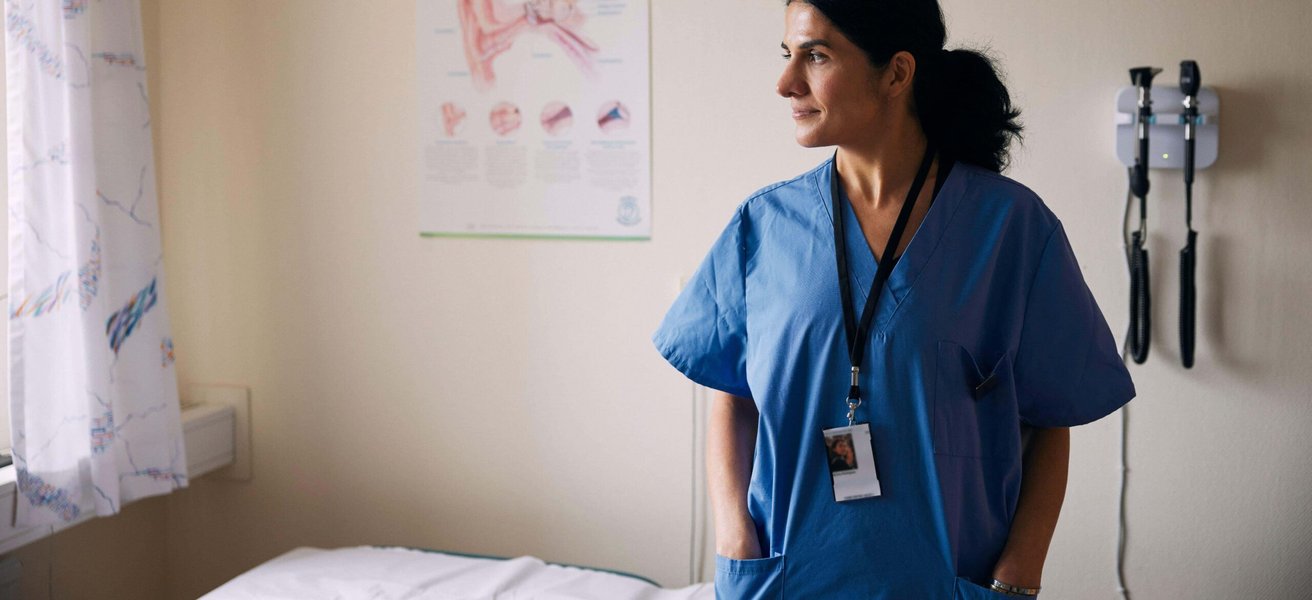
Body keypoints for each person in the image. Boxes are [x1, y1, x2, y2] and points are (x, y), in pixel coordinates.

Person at [652, 1, 1135, 598]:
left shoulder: (1010, 228)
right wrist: (733, 537)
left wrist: (1019, 573)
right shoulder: (764, 225)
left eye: (817, 55)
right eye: (787, 55)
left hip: (949, 582)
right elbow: (730, 390)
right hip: (785, 579)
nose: (786, 84)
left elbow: (1049, 415)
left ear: (897, 73)